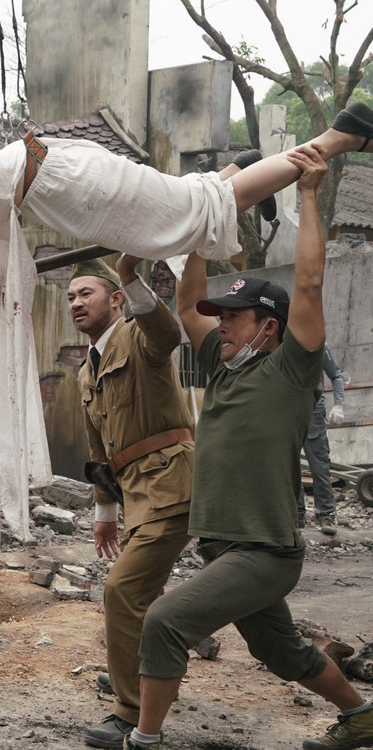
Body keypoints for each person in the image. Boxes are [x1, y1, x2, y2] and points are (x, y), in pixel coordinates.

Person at [0, 103, 373, 538]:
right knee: (184, 212)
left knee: (190, 212)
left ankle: (337, 136)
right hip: (49, 181)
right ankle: (240, 173)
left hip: (63, 183)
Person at [129, 146, 373, 750]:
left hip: (264, 550)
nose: (222, 324)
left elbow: (309, 282)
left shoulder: (291, 367)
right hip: (224, 546)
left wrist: (308, 193)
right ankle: (362, 716)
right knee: (279, 651)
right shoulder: (222, 364)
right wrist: (202, 217)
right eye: (223, 317)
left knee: (164, 621)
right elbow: (188, 302)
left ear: (269, 325)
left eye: (234, 317)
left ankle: (144, 741)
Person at [64, 256, 194, 750]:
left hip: (172, 484)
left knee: (122, 590)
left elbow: (167, 333)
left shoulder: (139, 335)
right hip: (136, 493)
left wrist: (130, 276)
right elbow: (99, 451)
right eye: (71, 296)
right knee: (146, 595)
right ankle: (144, 672)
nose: (76, 303)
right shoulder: (86, 370)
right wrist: (104, 514)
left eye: (87, 294)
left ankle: (132, 710)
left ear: (116, 299)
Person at [301, 347, 347, 535]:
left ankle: (326, 514)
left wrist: (338, 404)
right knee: (288, 466)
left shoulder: (319, 345)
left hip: (314, 412)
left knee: (319, 466)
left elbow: (336, 376)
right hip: (287, 412)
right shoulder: (281, 342)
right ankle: (297, 514)